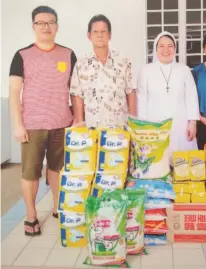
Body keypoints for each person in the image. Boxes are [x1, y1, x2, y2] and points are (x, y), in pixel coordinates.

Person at [9, 6, 77, 235]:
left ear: (57, 26)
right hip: (33, 126)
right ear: (33, 26)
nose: (46, 26)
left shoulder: (68, 54)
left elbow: (76, 90)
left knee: (58, 169)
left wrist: (78, 119)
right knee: (30, 172)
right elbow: (14, 91)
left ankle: (57, 207)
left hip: (62, 123)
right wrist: (17, 124)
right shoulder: (22, 55)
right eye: (41, 22)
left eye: (50, 22)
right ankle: (31, 216)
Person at [137, 31, 200, 155]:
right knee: (158, 163)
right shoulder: (146, 71)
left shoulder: (184, 70)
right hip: (154, 124)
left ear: (175, 49)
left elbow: (191, 97)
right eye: (161, 46)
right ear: (156, 49)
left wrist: (192, 122)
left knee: (181, 162)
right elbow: (141, 99)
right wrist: (143, 127)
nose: (166, 50)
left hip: (180, 124)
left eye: (170, 46)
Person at [70, 15, 136, 128]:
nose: (100, 35)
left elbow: (131, 91)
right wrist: (80, 122)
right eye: (95, 31)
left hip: (120, 127)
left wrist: (134, 121)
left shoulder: (124, 61)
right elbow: (77, 95)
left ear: (110, 35)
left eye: (103, 31)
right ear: (89, 36)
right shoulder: (81, 65)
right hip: (92, 128)